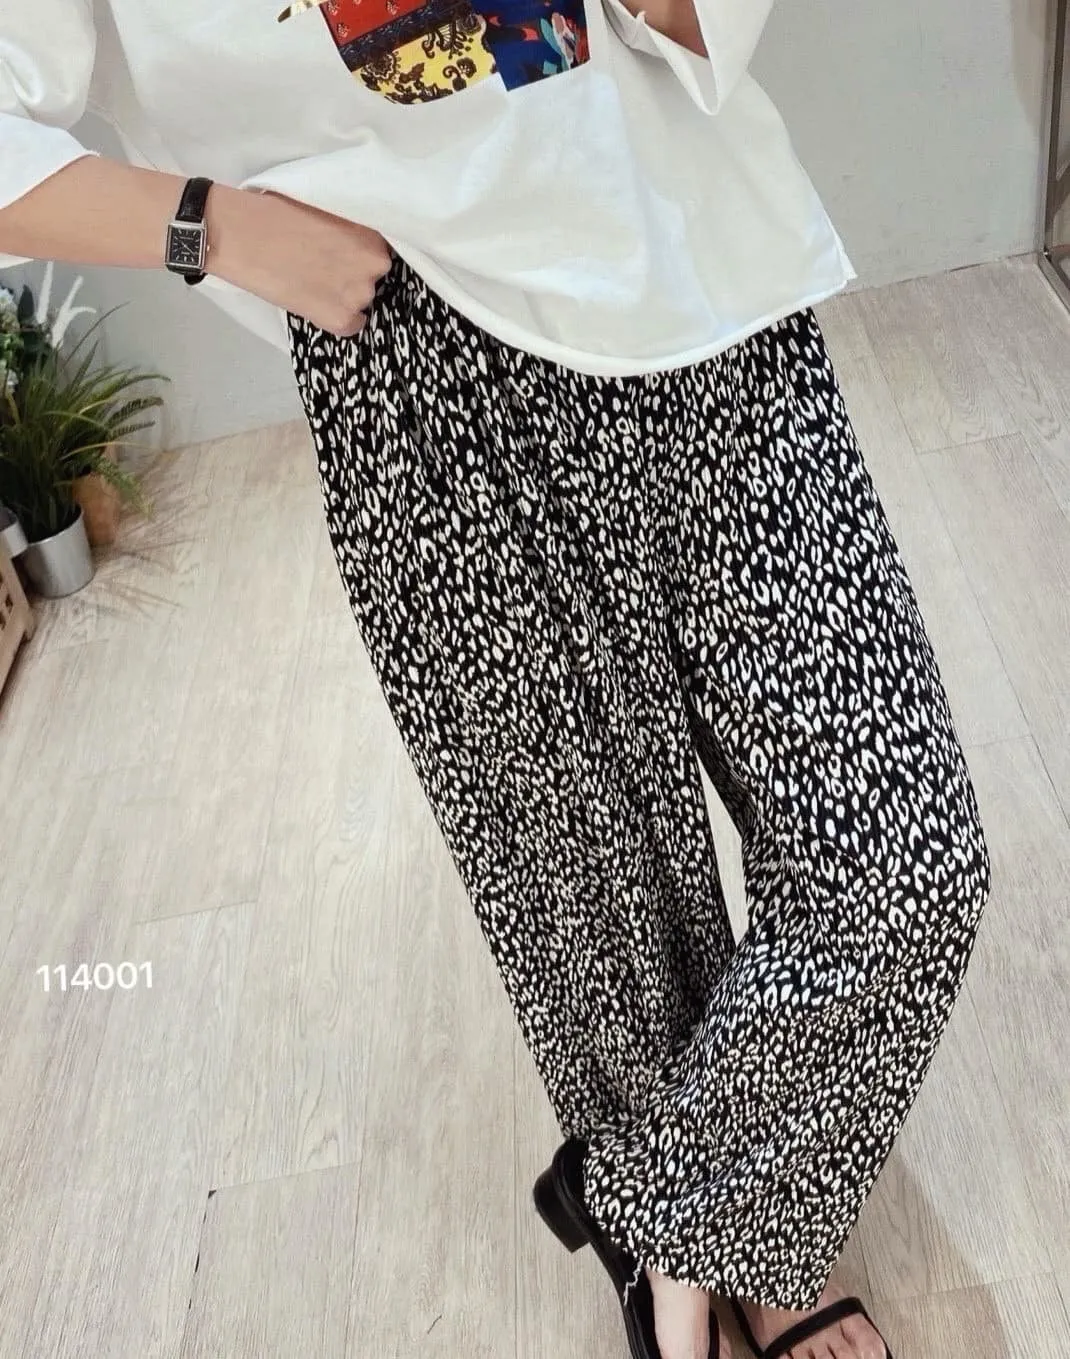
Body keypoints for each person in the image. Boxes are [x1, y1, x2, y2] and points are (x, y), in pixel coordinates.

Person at [0, 1, 992, 1356]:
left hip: (683, 259)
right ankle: (752, 1242)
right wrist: (211, 227)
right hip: (415, 356)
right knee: (596, 905)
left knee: (901, 866)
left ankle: (653, 1214)